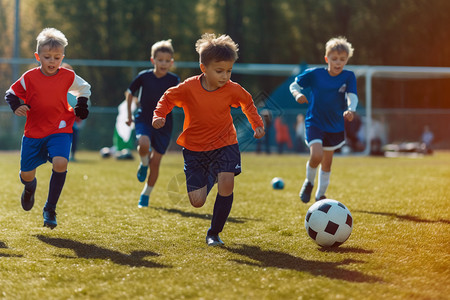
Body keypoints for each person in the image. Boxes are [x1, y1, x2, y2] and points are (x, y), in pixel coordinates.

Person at [152, 33, 265, 246]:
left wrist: (257, 124)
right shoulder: (188, 88)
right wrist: (159, 115)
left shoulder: (232, 89)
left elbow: (247, 103)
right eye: (219, 71)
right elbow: (167, 97)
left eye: (229, 71)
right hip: (195, 149)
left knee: (227, 183)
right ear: (204, 68)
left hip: (225, 144)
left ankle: (214, 233)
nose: (225, 76)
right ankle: (212, 172)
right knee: (197, 201)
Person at [4, 28, 91, 228]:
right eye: (47, 57)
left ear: (63, 57)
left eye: (57, 57)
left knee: (61, 163)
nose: (52, 61)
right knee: (27, 174)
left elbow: (84, 88)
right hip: (34, 133)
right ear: (38, 57)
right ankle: (29, 188)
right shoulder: (30, 77)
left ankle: (50, 208)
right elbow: (11, 92)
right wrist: (16, 105)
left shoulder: (68, 76)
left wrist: (81, 105)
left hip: (60, 128)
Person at [289, 36, 358, 203]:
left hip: (335, 125)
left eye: (342, 59)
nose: (338, 62)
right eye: (334, 59)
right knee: (316, 156)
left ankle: (320, 196)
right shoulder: (315, 74)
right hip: (315, 121)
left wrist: (351, 109)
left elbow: (352, 96)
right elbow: (294, 85)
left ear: (347, 60)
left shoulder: (348, 77)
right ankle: (309, 182)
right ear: (327, 59)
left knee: (327, 163)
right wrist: (298, 95)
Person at [125, 39, 180, 208]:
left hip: (164, 124)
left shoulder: (174, 80)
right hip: (144, 119)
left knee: (155, 163)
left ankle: (145, 194)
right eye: (160, 60)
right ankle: (143, 164)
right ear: (153, 60)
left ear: (171, 62)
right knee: (143, 143)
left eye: (167, 61)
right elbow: (129, 92)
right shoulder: (144, 76)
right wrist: (129, 115)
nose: (163, 63)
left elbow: (183, 98)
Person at [61, 63, 87, 161]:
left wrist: (79, 112)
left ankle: (72, 154)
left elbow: (84, 100)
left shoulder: (77, 88)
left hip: (72, 119)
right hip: (56, 119)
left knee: (74, 134)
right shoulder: (56, 87)